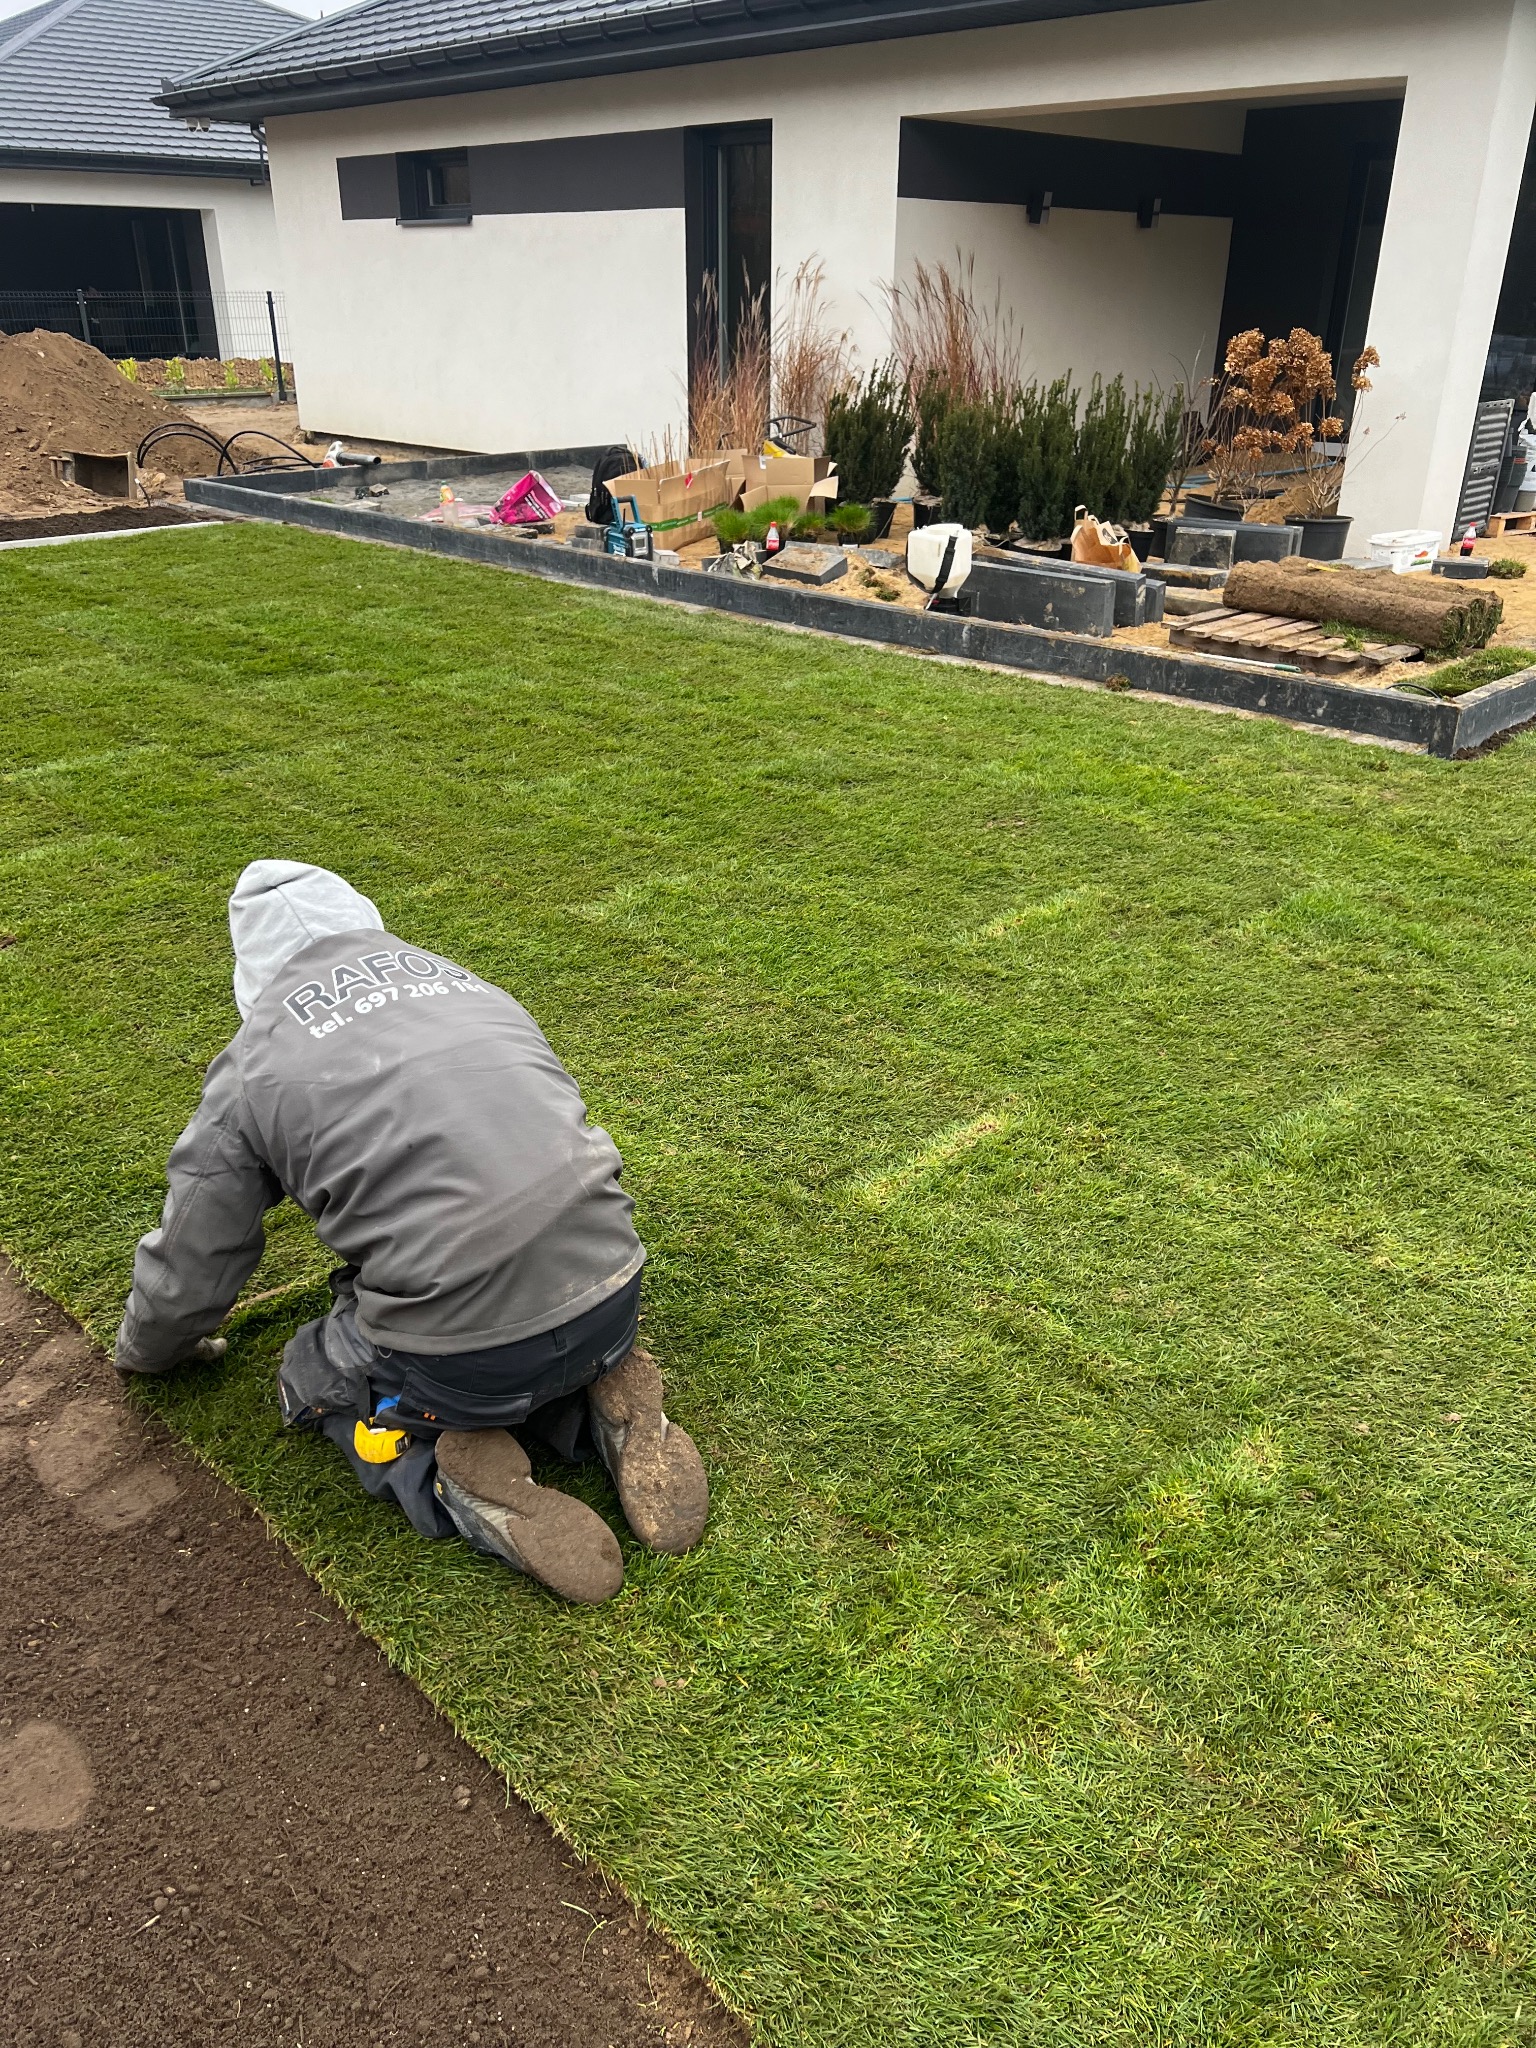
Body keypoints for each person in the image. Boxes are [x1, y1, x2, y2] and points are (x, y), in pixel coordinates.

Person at [114, 860, 707, 1603]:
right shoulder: (468, 986)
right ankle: (604, 1391)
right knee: (506, 1324)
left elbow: (195, 1257)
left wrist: (149, 1352)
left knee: (315, 1371)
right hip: (613, 1287)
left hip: (467, 1351)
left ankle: (456, 1480)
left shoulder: (250, 1068)